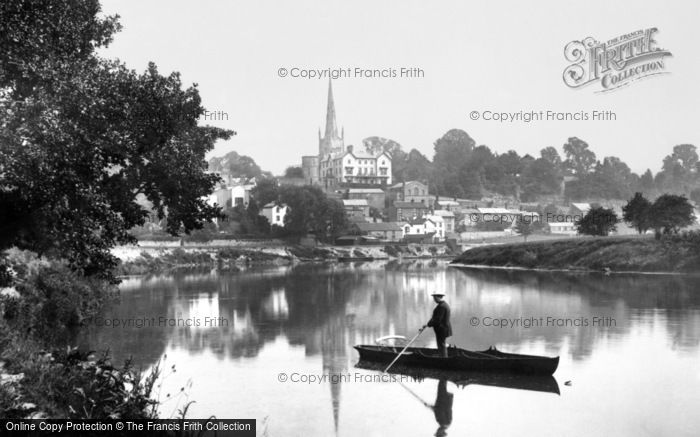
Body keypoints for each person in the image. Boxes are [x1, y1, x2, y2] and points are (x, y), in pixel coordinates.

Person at [422, 292, 452, 357]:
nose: (434, 299)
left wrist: (429, 325)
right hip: (443, 329)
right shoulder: (443, 305)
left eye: (434, 298)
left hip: (442, 329)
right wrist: (427, 324)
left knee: (441, 345)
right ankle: (442, 357)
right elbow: (434, 317)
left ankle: (444, 360)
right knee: (441, 344)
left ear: (438, 297)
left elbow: (437, 320)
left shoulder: (441, 306)